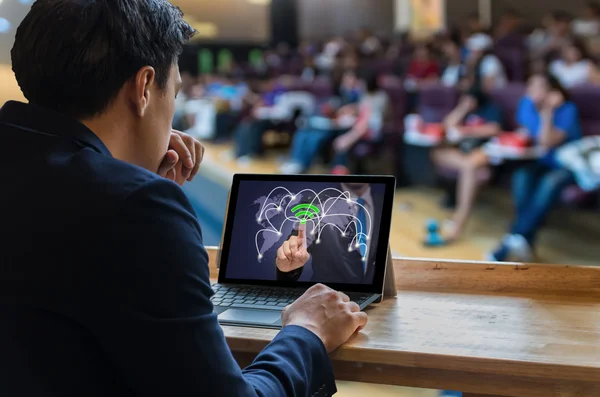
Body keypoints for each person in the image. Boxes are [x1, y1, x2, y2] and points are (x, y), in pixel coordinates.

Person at [0, 1, 367, 396]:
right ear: (143, 89)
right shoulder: (138, 209)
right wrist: (306, 331)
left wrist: (130, 177)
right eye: (172, 93)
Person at [488, 73, 582, 262]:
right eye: (530, 85)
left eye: (538, 86)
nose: (531, 91)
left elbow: (547, 142)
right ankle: (524, 239)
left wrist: (547, 111)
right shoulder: (526, 104)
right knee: (520, 177)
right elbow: (527, 133)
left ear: (552, 91)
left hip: (567, 165)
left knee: (549, 182)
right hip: (539, 162)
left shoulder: (567, 109)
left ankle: (511, 240)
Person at [431, 86, 503, 242]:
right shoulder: (465, 109)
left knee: (470, 166)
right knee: (438, 153)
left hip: (480, 151)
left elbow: (494, 129)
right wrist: (462, 108)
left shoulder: (491, 109)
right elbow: (447, 125)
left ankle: (458, 223)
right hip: (460, 152)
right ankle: (454, 215)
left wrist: (465, 130)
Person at [275, 183, 382, 284]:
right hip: (325, 298)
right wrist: (287, 266)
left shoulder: (381, 202)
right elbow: (299, 240)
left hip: (372, 299)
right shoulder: (316, 203)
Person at [280, 70, 362, 174]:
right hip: (329, 122)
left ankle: (303, 166)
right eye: (347, 78)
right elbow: (332, 109)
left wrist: (350, 110)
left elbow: (360, 113)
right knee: (302, 132)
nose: (350, 81)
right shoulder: (339, 92)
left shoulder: (359, 94)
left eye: (352, 78)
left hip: (341, 128)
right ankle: (295, 161)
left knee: (316, 138)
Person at [330, 73, 391, 174]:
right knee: (343, 133)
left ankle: (348, 141)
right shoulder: (365, 95)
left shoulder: (382, 97)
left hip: (375, 129)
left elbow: (376, 118)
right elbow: (360, 108)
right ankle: (339, 169)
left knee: (345, 139)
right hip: (362, 127)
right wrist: (349, 109)